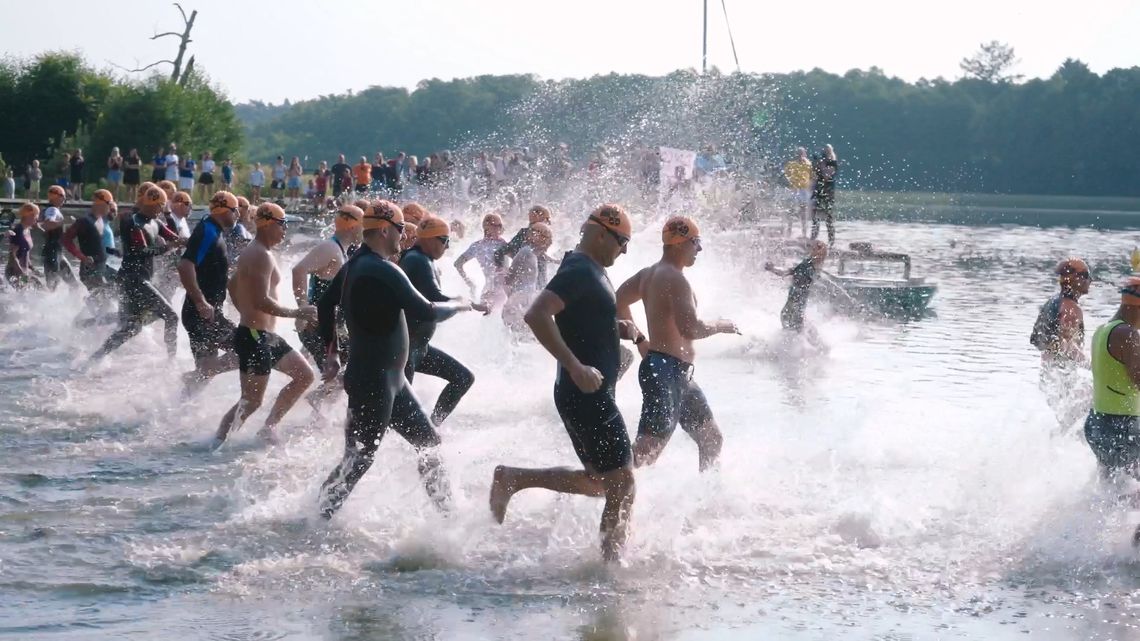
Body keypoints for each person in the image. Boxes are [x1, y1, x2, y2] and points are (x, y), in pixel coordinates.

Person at [489, 204, 643, 562]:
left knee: (600, 482)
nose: (624, 251)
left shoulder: (591, 270)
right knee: (623, 482)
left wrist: (614, 328)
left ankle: (514, 478)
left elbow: (577, 318)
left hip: (584, 393)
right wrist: (574, 366)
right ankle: (611, 568)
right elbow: (536, 314)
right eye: (623, 242)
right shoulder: (579, 269)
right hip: (586, 394)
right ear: (603, 233)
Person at [315, 200, 474, 519]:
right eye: (401, 230)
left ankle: (449, 519)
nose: (405, 236)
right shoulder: (380, 268)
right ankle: (316, 517)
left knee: (429, 442)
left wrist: (330, 354)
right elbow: (426, 310)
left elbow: (324, 306)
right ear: (385, 229)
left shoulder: (354, 264)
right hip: (373, 380)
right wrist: (460, 305)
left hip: (390, 380)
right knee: (360, 457)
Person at [615, 216, 737, 471]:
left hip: (676, 373)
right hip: (664, 372)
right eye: (696, 242)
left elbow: (618, 301)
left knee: (711, 439)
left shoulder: (649, 274)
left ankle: (707, 502)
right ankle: (596, 490)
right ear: (681, 243)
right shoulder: (675, 279)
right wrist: (721, 325)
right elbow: (691, 328)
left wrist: (639, 340)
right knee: (645, 453)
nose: (700, 249)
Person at [211, 203, 316, 448]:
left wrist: (245, 310)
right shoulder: (259, 254)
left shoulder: (258, 251)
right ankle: (216, 442)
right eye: (283, 225)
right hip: (254, 336)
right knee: (250, 401)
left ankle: (268, 428)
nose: (285, 230)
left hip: (264, 335)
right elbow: (261, 300)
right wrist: (296, 312)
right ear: (268, 224)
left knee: (304, 376)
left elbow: (232, 285)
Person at [400, 215, 490, 425]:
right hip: (406, 348)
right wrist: (462, 303)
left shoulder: (421, 259)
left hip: (418, 347)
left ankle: (433, 425)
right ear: (431, 239)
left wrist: (464, 302)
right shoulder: (418, 260)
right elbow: (434, 300)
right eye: (445, 241)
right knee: (403, 410)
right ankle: (420, 443)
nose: (447, 246)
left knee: (463, 378)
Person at [89, 186, 185, 361]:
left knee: (131, 328)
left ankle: (96, 357)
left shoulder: (156, 222)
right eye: (161, 208)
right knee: (171, 316)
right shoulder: (134, 223)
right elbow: (141, 251)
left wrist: (189, 242)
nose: (161, 212)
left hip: (137, 280)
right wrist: (168, 247)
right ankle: (172, 362)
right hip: (133, 280)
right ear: (154, 205)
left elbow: (175, 238)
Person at [291, 203, 363, 406]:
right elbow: (299, 270)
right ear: (352, 226)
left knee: (351, 372)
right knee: (338, 375)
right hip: (317, 326)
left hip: (332, 325)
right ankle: (313, 416)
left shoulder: (342, 250)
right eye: (363, 226)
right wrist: (302, 306)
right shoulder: (330, 247)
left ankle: (319, 412)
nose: (365, 231)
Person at [179, 191, 242, 392]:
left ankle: (177, 411)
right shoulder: (207, 231)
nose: (238, 215)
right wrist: (200, 301)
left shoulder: (213, 231)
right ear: (224, 210)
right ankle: (194, 379)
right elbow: (185, 265)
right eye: (235, 210)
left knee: (204, 375)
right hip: (201, 313)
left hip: (206, 312)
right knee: (247, 348)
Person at [1084, 277, 1140, 482]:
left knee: (1110, 491)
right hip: (1121, 426)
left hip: (1098, 422)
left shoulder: (1102, 330)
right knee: (1130, 492)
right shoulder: (1128, 334)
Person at [1032, 258, 1092, 428]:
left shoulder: (1053, 302)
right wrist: (1093, 365)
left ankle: (1047, 449)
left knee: (1068, 424)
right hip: (1062, 377)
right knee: (1093, 408)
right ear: (1075, 279)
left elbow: (1048, 343)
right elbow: (1065, 345)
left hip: (1049, 375)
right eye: (1086, 275)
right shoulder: (1070, 309)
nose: (1090, 280)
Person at [765, 240, 829, 347]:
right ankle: (814, 347)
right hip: (797, 302)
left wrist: (772, 269)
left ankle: (801, 349)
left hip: (795, 302)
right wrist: (772, 269)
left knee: (791, 324)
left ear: (816, 251)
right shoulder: (813, 266)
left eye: (812, 247)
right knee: (796, 326)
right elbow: (787, 272)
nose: (808, 248)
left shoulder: (808, 265)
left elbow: (787, 272)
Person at [62, 189, 114, 299]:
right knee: (101, 297)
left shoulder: (101, 219)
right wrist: (82, 257)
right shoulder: (84, 221)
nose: (110, 208)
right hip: (89, 269)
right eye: (109, 204)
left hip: (101, 267)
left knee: (115, 288)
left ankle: (90, 309)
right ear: (100, 204)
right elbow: (66, 240)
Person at [501, 222, 552, 333]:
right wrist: (513, 297)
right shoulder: (525, 252)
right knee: (519, 338)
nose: (545, 239)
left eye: (546, 236)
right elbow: (509, 278)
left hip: (526, 302)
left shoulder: (533, 253)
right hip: (519, 302)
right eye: (543, 235)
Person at [493, 205, 554, 286]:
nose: (548, 222)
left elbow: (502, 252)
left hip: (536, 282)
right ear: (535, 216)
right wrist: (501, 272)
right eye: (546, 219)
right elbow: (501, 252)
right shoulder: (525, 234)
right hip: (527, 284)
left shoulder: (529, 235)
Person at [454, 212, 507, 302]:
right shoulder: (477, 246)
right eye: (495, 225)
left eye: (500, 226)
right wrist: (469, 283)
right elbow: (457, 264)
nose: (498, 229)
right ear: (486, 226)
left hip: (503, 290)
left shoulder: (504, 244)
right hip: (489, 290)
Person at [38, 185, 72, 290]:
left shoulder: (50, 209)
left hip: (57, 253)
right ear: (54, 196)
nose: (64, 199)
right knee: (52, 288)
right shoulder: (52, 210)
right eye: (62, 196)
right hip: (52, 253)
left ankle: (73, 305)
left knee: (73, 285)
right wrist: (64, 221)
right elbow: (47, 224)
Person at [6, 203, 42, 289]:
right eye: (35, 216)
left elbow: (26, 253)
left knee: (41, 288)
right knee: (22, 296)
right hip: (15, 271)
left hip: (25, 271)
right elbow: (12, 256)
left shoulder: (27, 230)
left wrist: (33, 269)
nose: (37, 219)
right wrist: (21, 272)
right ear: (28, 215)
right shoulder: (17, 231)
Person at [810, 145, 838, 245]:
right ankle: (812, 239)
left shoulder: (832, 163)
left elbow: (827, 176)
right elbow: (814, 177)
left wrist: (822, 164)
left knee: (828, 219)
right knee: (815, 218)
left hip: (828, 193)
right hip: (818, 192)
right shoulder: (820, 163)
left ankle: (831, 242)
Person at [784, 147, 813, 237]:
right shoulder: (791, 164)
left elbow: (812, 177)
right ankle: (789, 230)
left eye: (802, 153)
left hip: (804, 190)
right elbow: (786, 176)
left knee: (803, 211)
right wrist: (791, 183)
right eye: (798, 153)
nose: (800, 155)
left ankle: (804, 233)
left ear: (805, 154)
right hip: (794, 189)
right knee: (791, 210)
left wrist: (810, 187)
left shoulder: (808, 164)